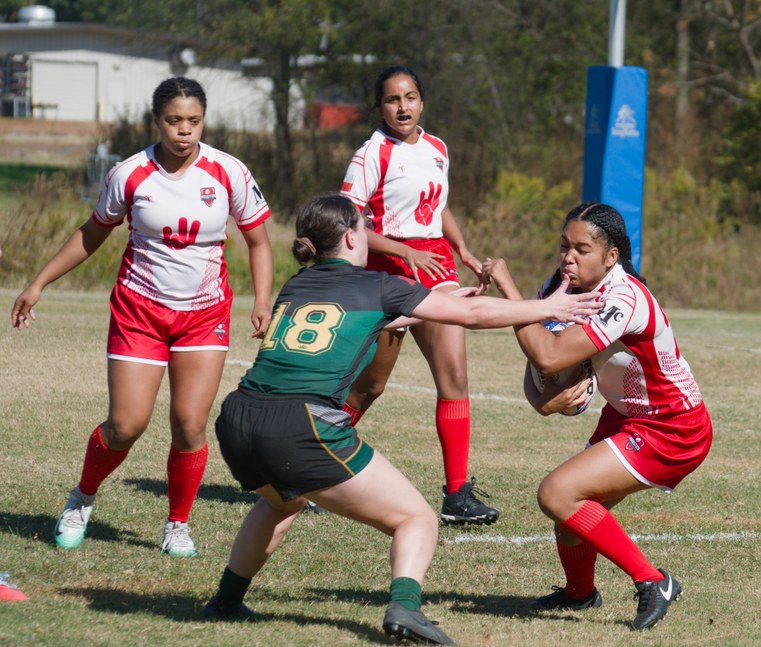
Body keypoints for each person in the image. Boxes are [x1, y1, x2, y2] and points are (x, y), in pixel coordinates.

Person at [203, 195, 600, 644]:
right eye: (365, 228)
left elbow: (387, 316)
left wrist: (450, 298)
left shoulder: (297, 286)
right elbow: (469, 317)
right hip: (300, 427)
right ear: (353, 237)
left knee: (281, 502)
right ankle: (406, 610)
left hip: (238, 419)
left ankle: (225, 600)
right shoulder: (377, 285)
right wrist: (549, 308)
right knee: (416, 519)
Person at [10, 77, 273, 557]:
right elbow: (93, 233)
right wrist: (38, 282)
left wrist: (260, 301)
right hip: (139, 313)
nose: (184, 131)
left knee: (190, 426)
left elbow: (258, 240)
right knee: (126, 425)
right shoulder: (129, 173)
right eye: (174, 121)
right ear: (157, 121)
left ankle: (177, 524)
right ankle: (81, 499)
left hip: (203, 315)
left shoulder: (228, 171)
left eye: (193, 121)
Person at [482, 202, 713, 631]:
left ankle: (653, 581)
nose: (569, 257)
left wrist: (509, 291)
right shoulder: (560, 288)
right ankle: (579, 595)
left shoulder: (621, 297)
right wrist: (548, 393)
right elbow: (542, 382)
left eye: (582, 249)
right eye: (564, 246)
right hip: (627, 418)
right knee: (570, 515)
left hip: (672, 426)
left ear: (611, 257)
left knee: (557, 493)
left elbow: (548, 355)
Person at [340, 65, 496, 526]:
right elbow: (349, 221)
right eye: (392, 100)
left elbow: (439, 205)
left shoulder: (437, 148)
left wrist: (462, 248)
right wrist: (404, 251)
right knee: (370, 385)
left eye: (410, 97)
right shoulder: (371, 154)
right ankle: (311, 462)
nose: (402, 107)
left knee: (455, 376)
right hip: (387, 269)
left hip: (437, 268)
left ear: (422, 101)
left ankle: (457, 493)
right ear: (380, 107)